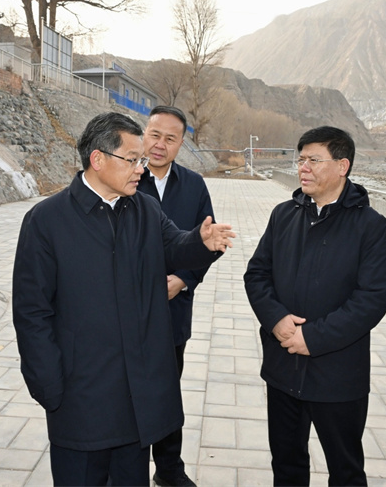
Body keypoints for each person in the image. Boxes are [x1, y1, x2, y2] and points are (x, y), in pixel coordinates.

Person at [12, 111, 235, 487]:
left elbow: (175, 245)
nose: (140, 169)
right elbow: (32, 312)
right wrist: (49, 386)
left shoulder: (144, 209)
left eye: (141, 160)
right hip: (81, 395)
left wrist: (200, 242)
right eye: (132, 160)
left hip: (137, 394)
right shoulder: (47, 220)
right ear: (98, 159)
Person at [244, 126, 386, 486]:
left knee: (345, 470)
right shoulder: (284, 215)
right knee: (286, 465)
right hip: (283, 366)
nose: (303, 168)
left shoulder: (370, 226)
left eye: (314, 160)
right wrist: (276, 319)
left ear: (342, 166)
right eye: (301, 160)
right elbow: (257, 274)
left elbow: (372, 298)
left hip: (337, 373)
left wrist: (312, 338)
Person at [137, 105, 214, 487]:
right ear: (144, 134)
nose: (160, 144)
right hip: (128, 311)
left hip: (173, 310)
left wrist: (183, 279)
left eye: (170, 138)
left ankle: (169, 469)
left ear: (182, 143)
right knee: (128, 393)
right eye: (155, 135)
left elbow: (208, 242)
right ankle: (129, 469)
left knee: (168, 392)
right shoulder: (126, 177)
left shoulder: (194, 186)